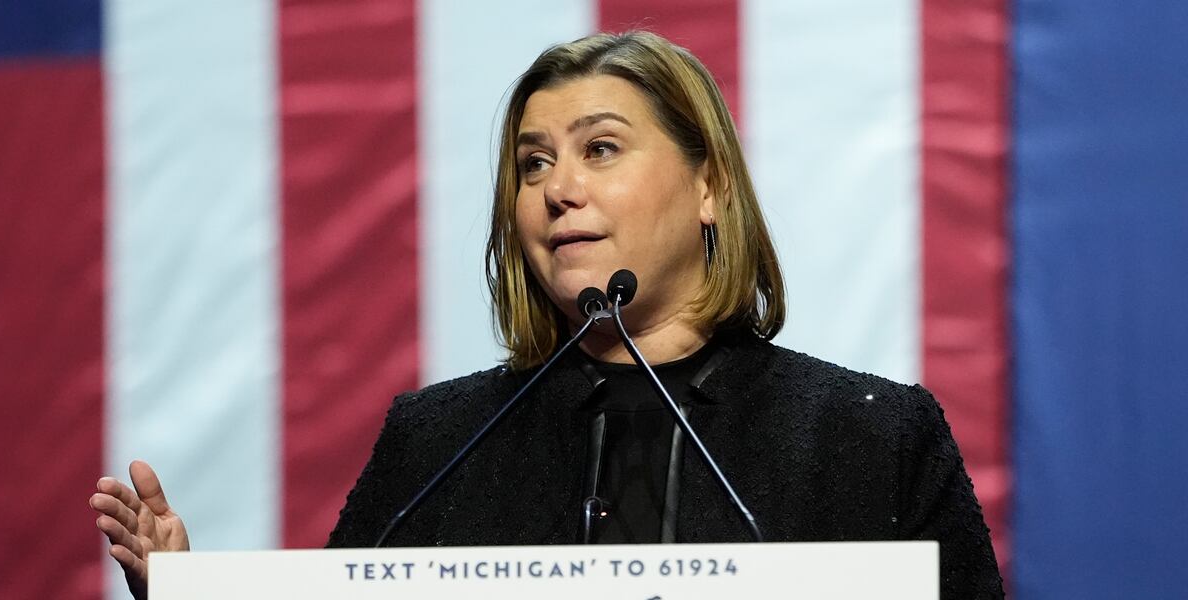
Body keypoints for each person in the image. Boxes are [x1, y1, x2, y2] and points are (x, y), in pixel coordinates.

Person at [90, 31, 1004, 598]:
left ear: (709, 186)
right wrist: (186, 594)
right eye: (531, 164)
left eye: (599, 149)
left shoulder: (870, 439)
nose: (557, 190)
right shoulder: (437, 441)